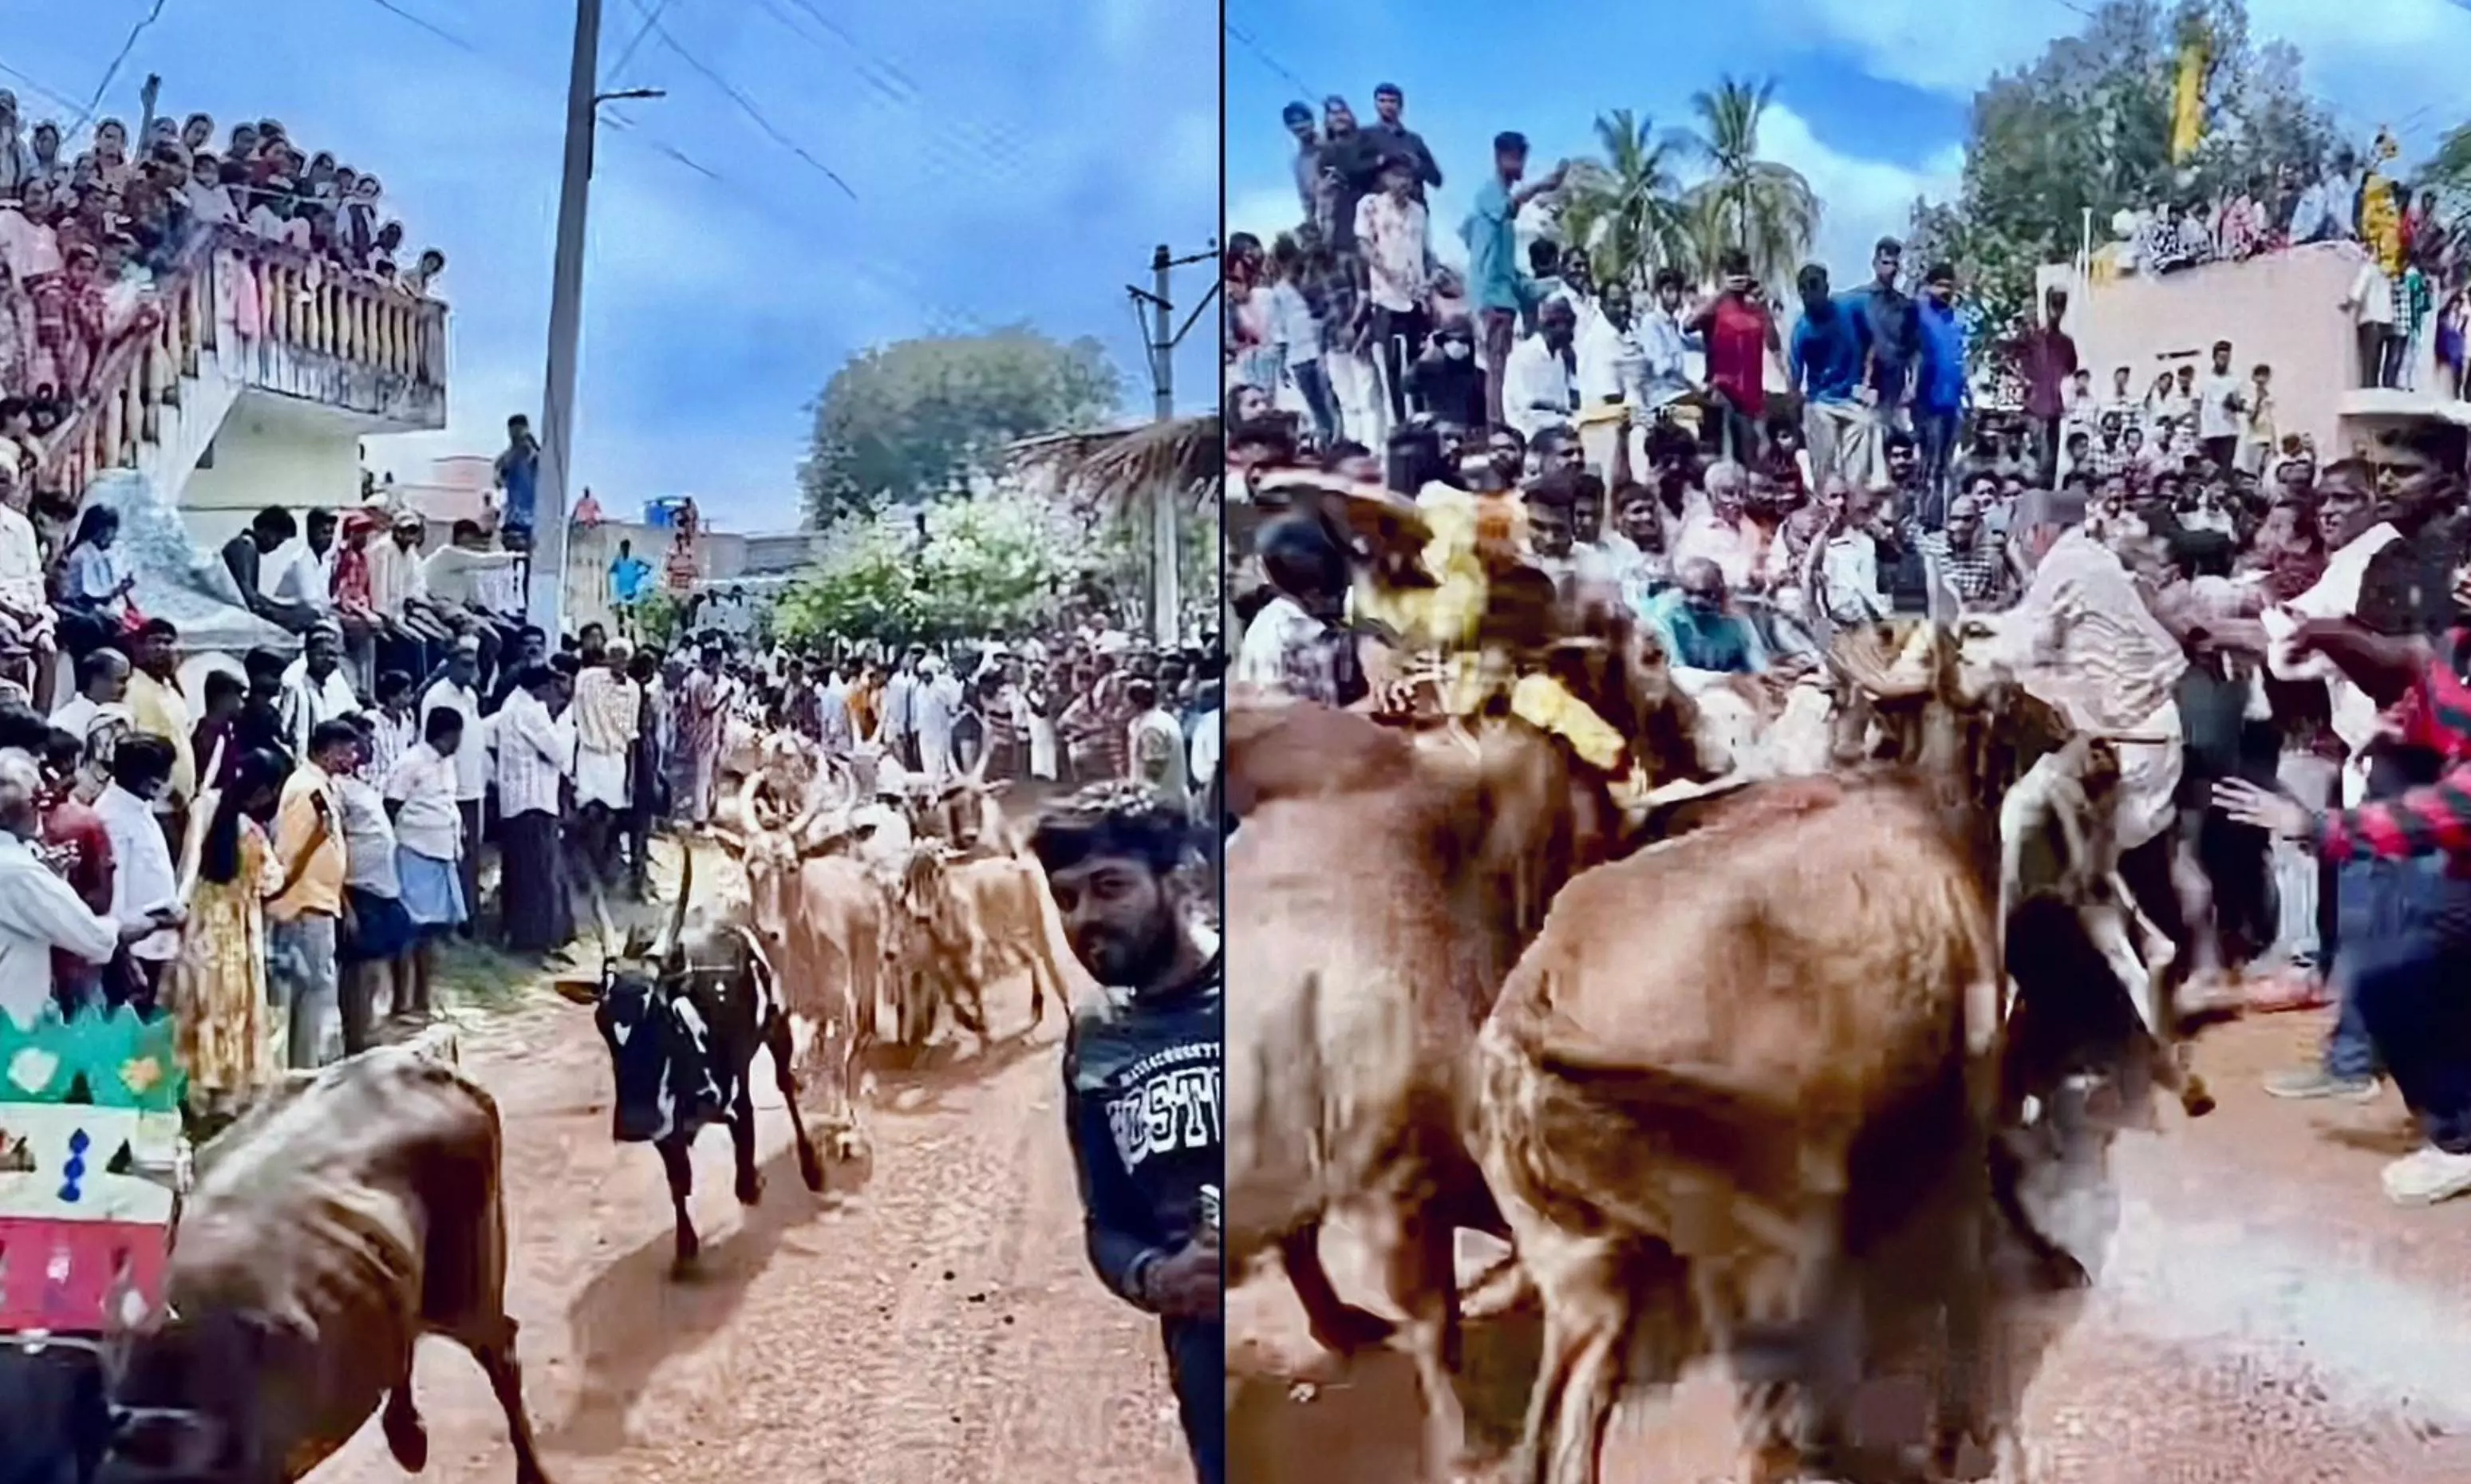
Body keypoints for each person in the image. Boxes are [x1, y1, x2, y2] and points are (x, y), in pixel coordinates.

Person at [2213, 606, 2471, 1206]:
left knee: (2392, 979)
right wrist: (2333, 637)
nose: (2463, 573)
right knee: (2412, 974)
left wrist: (2315, 825)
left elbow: (2451, 810)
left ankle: (2459, 1141)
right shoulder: (2460, 646)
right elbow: (2412, 663)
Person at [1032, 786, 1222, 1484]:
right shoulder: (1096, 1036)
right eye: (1067, 898)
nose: (1085, 918)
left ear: (1180, 880)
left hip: (1335, 1348)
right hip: (1213, 1368)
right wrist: (1157, 1277)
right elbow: (1106, 1223)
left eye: (1110, 887)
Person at [0, 748, 171, 1028]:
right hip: (14, 1022)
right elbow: (91, 937)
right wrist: (142, 923)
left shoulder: (23, 861)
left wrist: (52, 877)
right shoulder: (20, 871)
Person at [178, 748, 285, 1108]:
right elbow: (272, 881)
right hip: (238, 932)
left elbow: (188, 869)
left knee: (197, 1005)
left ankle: (188, 1088)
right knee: (232, 1011)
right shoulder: (252, 833)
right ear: (262, 792)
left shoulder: (203, 807)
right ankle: (222, 1095)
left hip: (199, 927)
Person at [1463, 131, 1565, 428]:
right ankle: (1498, 429)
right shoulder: (1489, 195)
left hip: (1504, 298)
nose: (1521, 165)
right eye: (1516, 158)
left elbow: (1511, 272)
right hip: (1491, 298)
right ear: (1500, 158)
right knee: (1498, 368)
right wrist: (1544, 185)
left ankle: (1505, 426)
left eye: (1523, 158)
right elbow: (1510, 205)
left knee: (1503, 366)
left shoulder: (1503, 225)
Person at [270, 720, 353, 1069]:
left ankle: (305, 1066)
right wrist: (292, 901)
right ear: (329, 750)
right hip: (304, 905)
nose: (352, 757)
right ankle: (302, 1072)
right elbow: (290, 851)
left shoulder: (323, 786)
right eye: (347, 750)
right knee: (310, 992)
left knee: (313, 992)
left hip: (319, 901)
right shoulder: (306, 790)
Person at [385, 704, 467, 1012]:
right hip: (414, 851)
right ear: (450, 734)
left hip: (441, 851)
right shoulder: (411, 763)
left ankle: (423, 998)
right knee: (408, 930)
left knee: (431, 932)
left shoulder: (447, 764)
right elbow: (391, 804)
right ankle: (400, 1002)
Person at [95, 732, 181, 1012]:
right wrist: (124, 958)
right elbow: (112, 897)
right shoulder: (112, 818)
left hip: (155, 945)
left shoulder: (139, 807)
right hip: (131, 950)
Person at [495, 663, 571, 957]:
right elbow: (561, 754)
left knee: (522, 874)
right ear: (540, 687)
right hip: (533, 804)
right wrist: (563, 726)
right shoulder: (530, 711)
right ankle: (535, 945)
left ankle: (522, 938)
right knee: (537, 877)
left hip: (518, 803)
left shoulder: (512, 704)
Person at [1690, 249, 1778, 464]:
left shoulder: (1754, 309)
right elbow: (1689, 324)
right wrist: (1723, 292)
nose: (1738, 278)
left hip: (1752, 396)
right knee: (1726, 461)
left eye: (1741, 272)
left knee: (1751, 461)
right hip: (1722, 393)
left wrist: (1764, 307)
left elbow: (1774, 344)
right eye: (1732, 273)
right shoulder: (1714, 306)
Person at [1912, 262, 1968, 525]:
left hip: (1952, 403)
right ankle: (1921, 518)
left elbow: (1960, 359)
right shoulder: (1918, 314)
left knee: (1947, 467)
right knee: (1927, 463)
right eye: (1940, 285)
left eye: (1949, 286)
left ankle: (1942, 520)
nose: (1945, 291)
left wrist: (1967, 397)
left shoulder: (1956, 319)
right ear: (1929, 286)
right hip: (1927, 402)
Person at [278, 618, 361, 759]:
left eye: (333, 655)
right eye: (322, 654)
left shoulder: (334, 684)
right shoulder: (294, 684)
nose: (329, 660)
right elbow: (284, 734)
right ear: (309, 654)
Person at [1502, 298, 1579, 439]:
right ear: (1552, 326)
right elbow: (1528, 403)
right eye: (1568, 325)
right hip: (1528, 425)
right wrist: (1559, 410)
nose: (1571, 331)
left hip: (1556, 421)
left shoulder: (1560, 356)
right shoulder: (1524, 355)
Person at [2195, 339, 2248, 475]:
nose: (2223, 360)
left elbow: (2242, 406)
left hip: (2228, 431)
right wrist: (2198, 431)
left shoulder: (2235, 380)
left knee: (2225, 470)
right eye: (2221, 357)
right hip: (2208, 432)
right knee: (2210, 471)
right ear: (2214, 358)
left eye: (2226, 357)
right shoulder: (2204, 379)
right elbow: (2196, 405)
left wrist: (2234, 404)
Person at [494, 414, 541, 542]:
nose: (514, 435)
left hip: (529, 517)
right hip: (514, 516)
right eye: (512, 431)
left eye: (518, 430)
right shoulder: (509, 456)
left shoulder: (531, 452)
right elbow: (498, 481)